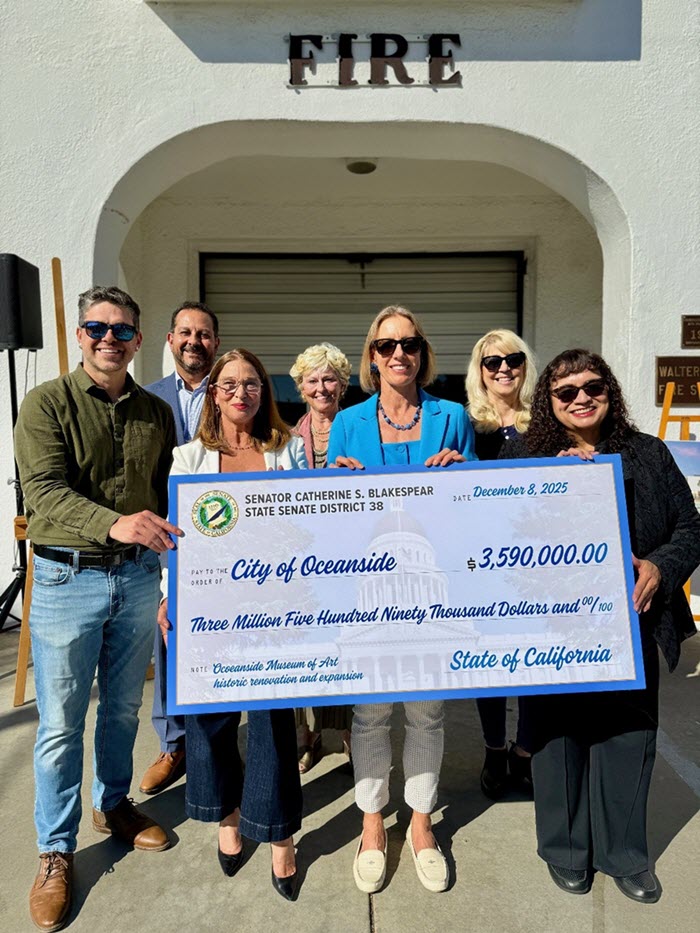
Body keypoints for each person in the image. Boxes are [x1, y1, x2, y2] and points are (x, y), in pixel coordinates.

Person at [14, 286, 182, 933]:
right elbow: (46, 494)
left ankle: (114, 805)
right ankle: (55, 850)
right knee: (59, 722)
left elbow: (171, 490)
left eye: (122, 331)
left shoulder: (154, 414)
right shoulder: (45, 403)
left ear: (139, 340)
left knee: (120, 708)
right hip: (67, 580)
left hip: (138, 581)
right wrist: (118, 524)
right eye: (97, 328)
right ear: (82, 334)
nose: (109, 339)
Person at [508, 348, 700, 905]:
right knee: (555, 738)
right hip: (550, 628)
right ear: (549, 403)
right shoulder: (525, 456)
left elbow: (691, 528)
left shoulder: (648, 453)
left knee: (626, 738)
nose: (581, 398)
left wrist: (662, 567)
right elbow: (493, 528)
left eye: (592, 387)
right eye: (566, 393)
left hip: (631, 623)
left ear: (609, 391)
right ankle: (566, 851)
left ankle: (626, 855)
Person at [327, 305, 476, 894]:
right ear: (371, 357)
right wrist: (332, 481)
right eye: (386, 346)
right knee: (369, 715)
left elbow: (475, 507)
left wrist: (463, 473)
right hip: (370, 583)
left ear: (422, 352)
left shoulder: (452, 417)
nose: (398, 355)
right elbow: (330, 515)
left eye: (409, 344)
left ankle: (419, 825)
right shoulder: (349, 421)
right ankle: (370, 824)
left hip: (432, 580)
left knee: (426, 711)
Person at [158, 348, 306, 900]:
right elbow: (175, 537)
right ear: (212, 394)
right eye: (229, 384)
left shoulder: (286, 451)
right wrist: (170, 599)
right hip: (207, 606)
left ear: (263, 393)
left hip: (273, 606)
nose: (241, 393)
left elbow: (309, 522)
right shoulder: (188, 457)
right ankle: (228, 814)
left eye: (252, 384)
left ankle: (278, 833)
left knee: (271, 719)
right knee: (209, 718)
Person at [139, 301, 220, 796]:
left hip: (219, 533)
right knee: (167, 636)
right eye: (185, 332)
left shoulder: (233, 392)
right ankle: (173, 744)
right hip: (164, 535)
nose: (194, 341)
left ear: (216, 342)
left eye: (205, 333)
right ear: (170, 340)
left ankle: (215, 740)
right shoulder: (145, 398)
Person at [465, 329, 537, 798]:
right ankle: (494, 750)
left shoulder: (548, 421)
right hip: (484, 561)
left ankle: (526, 752)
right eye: (493, 362)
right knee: (491, 662)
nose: (504, 368)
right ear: (481, 371)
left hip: (536, 560)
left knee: (534, 658)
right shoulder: (469, 425)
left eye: (512, 358)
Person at [289, 342, 354, 772]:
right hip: (305, 560)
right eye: (312, 380)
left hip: (350, 555)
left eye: (329, 378)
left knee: (347, 648)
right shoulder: (288, 436)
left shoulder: (358, 426)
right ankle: (307, 736)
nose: (321, 387)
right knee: (304, 649)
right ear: (301, 387)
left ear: (343, 385)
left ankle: (350, 735)